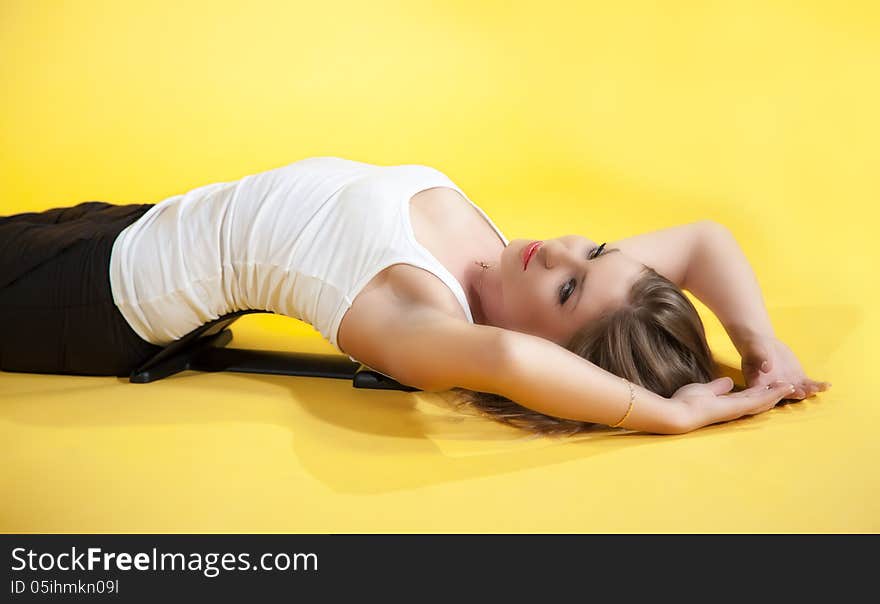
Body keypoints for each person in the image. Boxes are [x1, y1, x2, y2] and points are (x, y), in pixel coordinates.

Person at [0, 156, 830, 435]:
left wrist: (674, 413)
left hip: (95, 299)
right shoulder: (514, 266)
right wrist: (759, 343)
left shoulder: (422, 318)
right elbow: (702, 240)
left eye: (572, 284)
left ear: (551, 347)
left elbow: (505, 356)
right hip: (130, 227)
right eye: (598, 248)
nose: (566, 249)